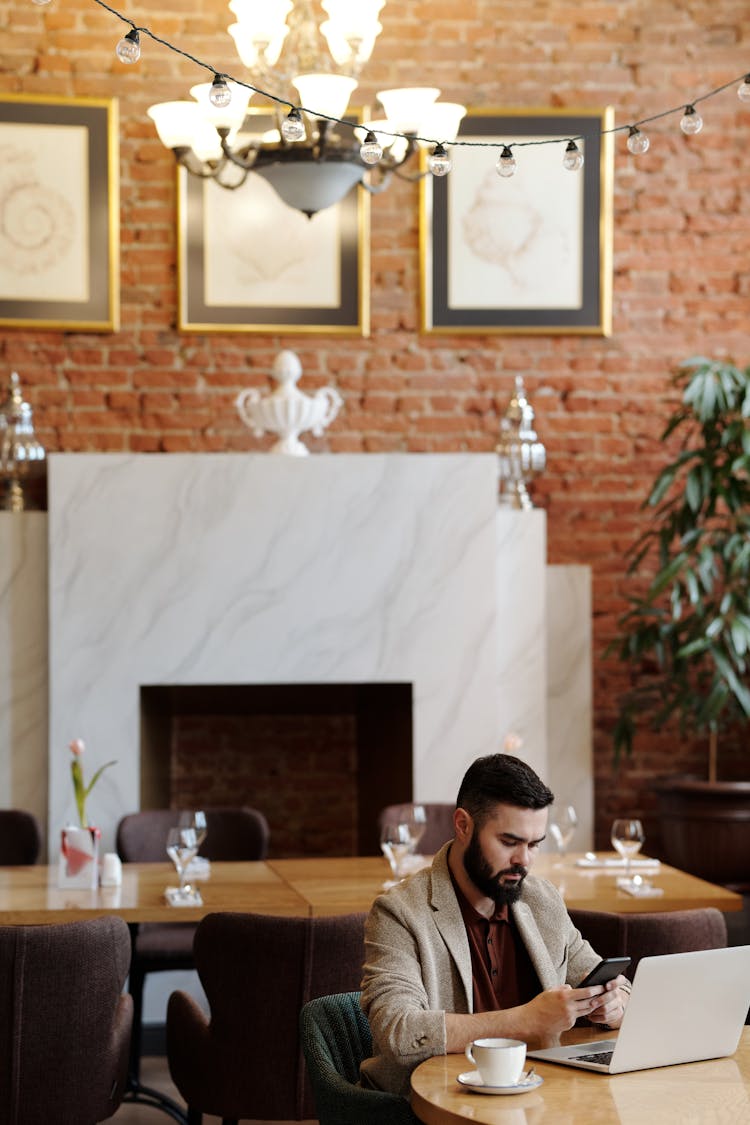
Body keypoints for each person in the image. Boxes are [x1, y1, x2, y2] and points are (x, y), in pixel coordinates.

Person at [360, 753, 631, 1095]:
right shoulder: (399, 912)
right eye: (509, 842)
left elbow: (611, 982)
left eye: (534, 844)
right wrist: (526, 1021)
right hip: (435, 1103)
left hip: (539, 1100)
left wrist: (615, 1005)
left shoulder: (542, 900)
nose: (524, 860)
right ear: (463, 826)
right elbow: (398, 1033)